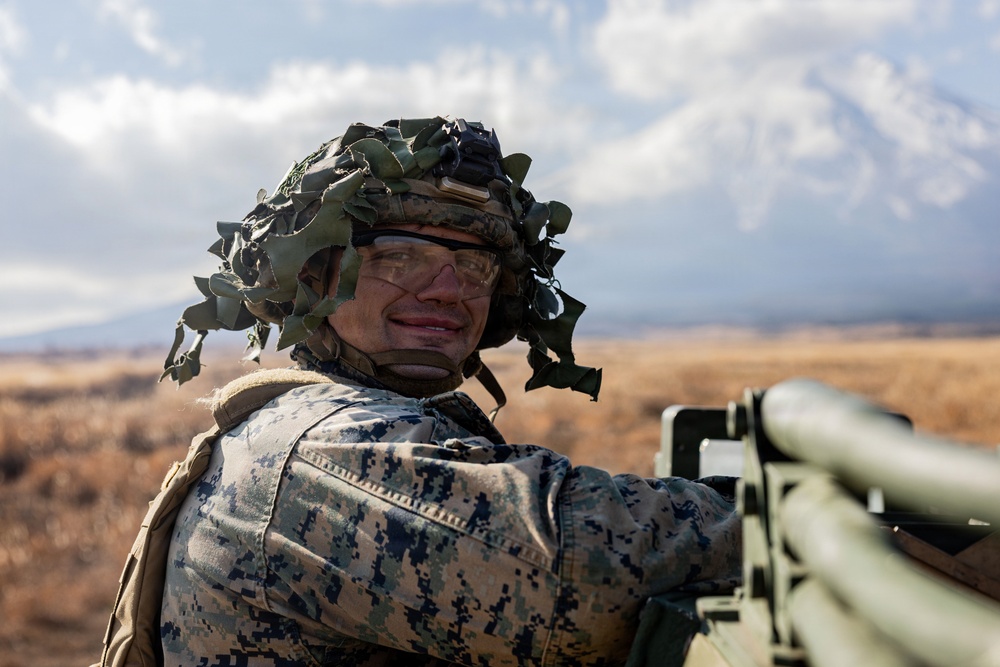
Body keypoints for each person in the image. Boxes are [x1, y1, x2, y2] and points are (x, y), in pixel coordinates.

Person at [152, 117, 741, 665]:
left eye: (475, 266)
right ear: (315, 277)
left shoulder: (327, 422)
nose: (445, 290)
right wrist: (787, 512)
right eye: (399, 257)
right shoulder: (328, 448)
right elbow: (580, 569)